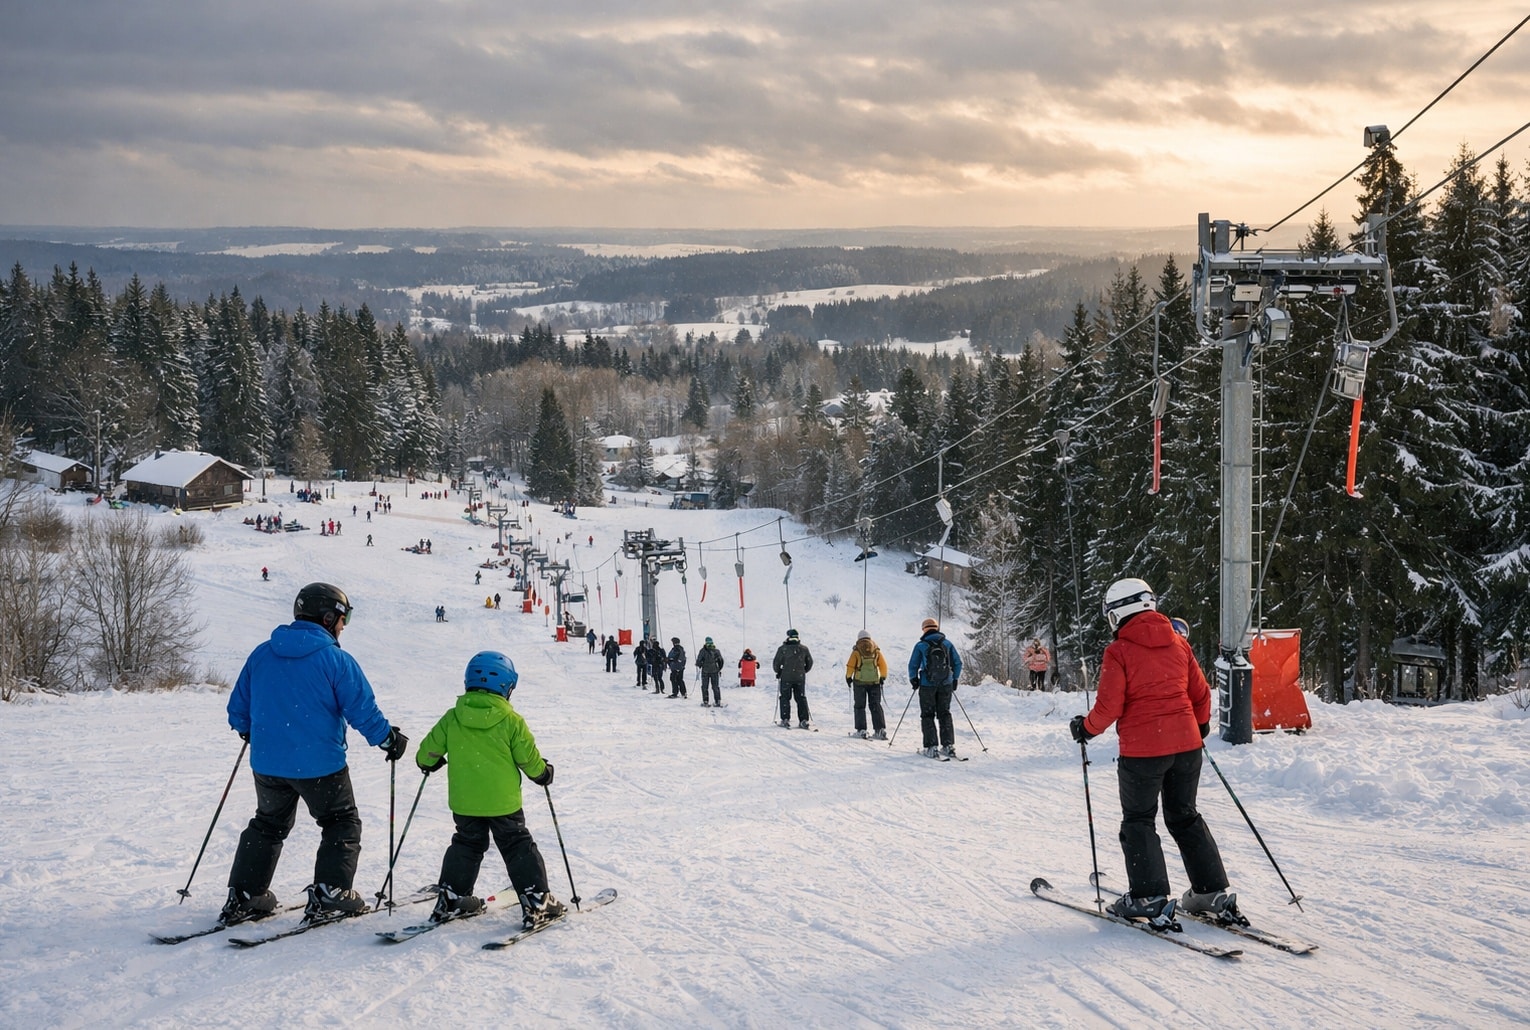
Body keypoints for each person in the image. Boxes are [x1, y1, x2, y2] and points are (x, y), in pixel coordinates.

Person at [221, 582, 408, 925]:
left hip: (268, 764)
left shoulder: (262, 653)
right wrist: (387, 740)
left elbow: (238, 709)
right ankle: (331, 892)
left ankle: (246, 895)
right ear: (327, 617)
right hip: (320, 765)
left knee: (267, 825)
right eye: (342, 618)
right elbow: (361, 710)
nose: (343, 626)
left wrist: (249, 729)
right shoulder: (335, 660)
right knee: (341, 822)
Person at [1069, 578, 1241, 930]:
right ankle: (1210, 891)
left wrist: (1085, 728)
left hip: (1144, 751)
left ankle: (1148, 897)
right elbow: (1201, 693)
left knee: (1139, 820)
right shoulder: (1179, 644)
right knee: (1184, 816)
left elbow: (1109, 706)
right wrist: (1199, 726)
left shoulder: (1118, 651)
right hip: (1187, 748)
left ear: (1118, 612)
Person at [415, 651, 566, 929]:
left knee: (466, 844)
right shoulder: (511, 720)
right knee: (517, 844)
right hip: (503, 803)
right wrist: (543, 773)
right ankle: (536, 901)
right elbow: (528, 759)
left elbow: (426, 753)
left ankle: (452, 897)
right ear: (507, 687)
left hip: (464, 803)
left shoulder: (453, 718)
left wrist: (429, 762)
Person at [908, 617, 963, 759]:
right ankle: (948, 746)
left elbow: (913, 665)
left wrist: (914, 679)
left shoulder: (921, 645)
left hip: (927, 685)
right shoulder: (947, 643)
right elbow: (958, 663)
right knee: (944, 713)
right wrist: (954, 679)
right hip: (946, 684)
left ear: (924, 629)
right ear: (937, 628)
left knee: (927, 715)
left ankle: (931, 747)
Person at [844, 629, 888, 739]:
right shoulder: (876, 651)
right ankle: (880, 730)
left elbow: (850, 666)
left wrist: (848, 677)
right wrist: (882, 677)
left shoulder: (856, 651)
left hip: (860, 682)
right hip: (874, 682)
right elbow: (883, 665)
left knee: (859, 706)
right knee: (875, 705)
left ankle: (861, 730)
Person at [772, 629, 814, 728]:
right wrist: (803, 671)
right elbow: (810, 662)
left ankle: (785, 719)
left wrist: (779, 672)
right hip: (799, 678)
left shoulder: (783, 649)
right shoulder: (804, 649)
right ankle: (804, 720)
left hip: (786, 677)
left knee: (785, 698)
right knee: (801, 698)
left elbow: (776, 663)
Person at [695, 636, 725, 707]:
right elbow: (721, 661)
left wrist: (698, 664)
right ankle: (718, 701)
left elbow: (699, 661)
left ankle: (705, 701)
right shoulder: (716, 651)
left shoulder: (702, 651)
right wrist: (719, 669)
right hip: (715, 671)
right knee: (715, 687)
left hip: (705, 671)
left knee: (705, 687)